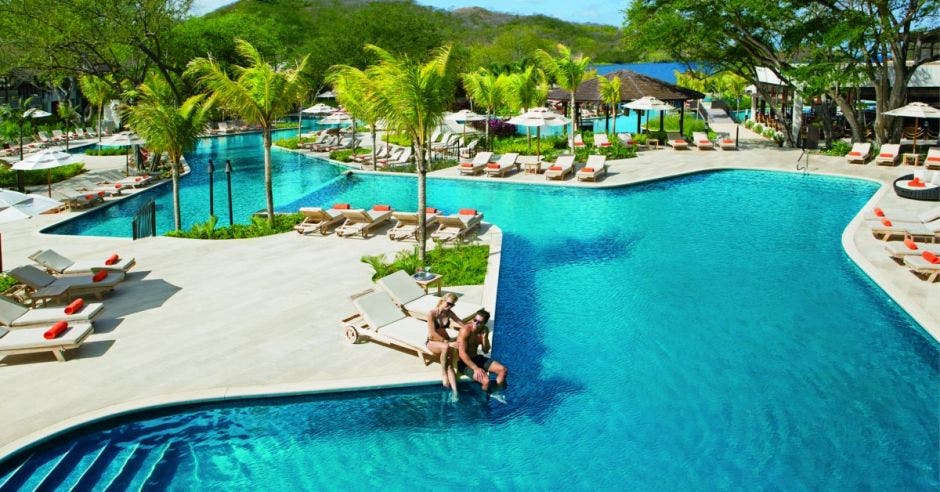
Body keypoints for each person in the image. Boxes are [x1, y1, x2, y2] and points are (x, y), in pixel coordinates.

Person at [456, 309, 507, 391]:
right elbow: (462, 354)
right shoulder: (465, 331)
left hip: (477, 358)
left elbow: (486, 350)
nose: (475, 323)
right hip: (464, 364)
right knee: (486, 381)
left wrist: (484, 338)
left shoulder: (484, 330)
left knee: (503, 370)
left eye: (479, 322)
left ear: (484, 323)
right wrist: (476, 368)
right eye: (475, 320)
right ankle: (485, 398)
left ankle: (497, 392)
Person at [426, 293, 463, 397]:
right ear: (443, 300)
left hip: (446, 341)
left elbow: (460, 321)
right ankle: (443, 373)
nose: (450, 306)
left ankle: (455, 393)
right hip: (433, 342)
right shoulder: (432, 313)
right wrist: (448, 342)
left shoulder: (449, 313)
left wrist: (469, 329)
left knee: (450, 365)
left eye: (452, 305)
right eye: (449, 303)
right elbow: (432, 333)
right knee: (446, 346)